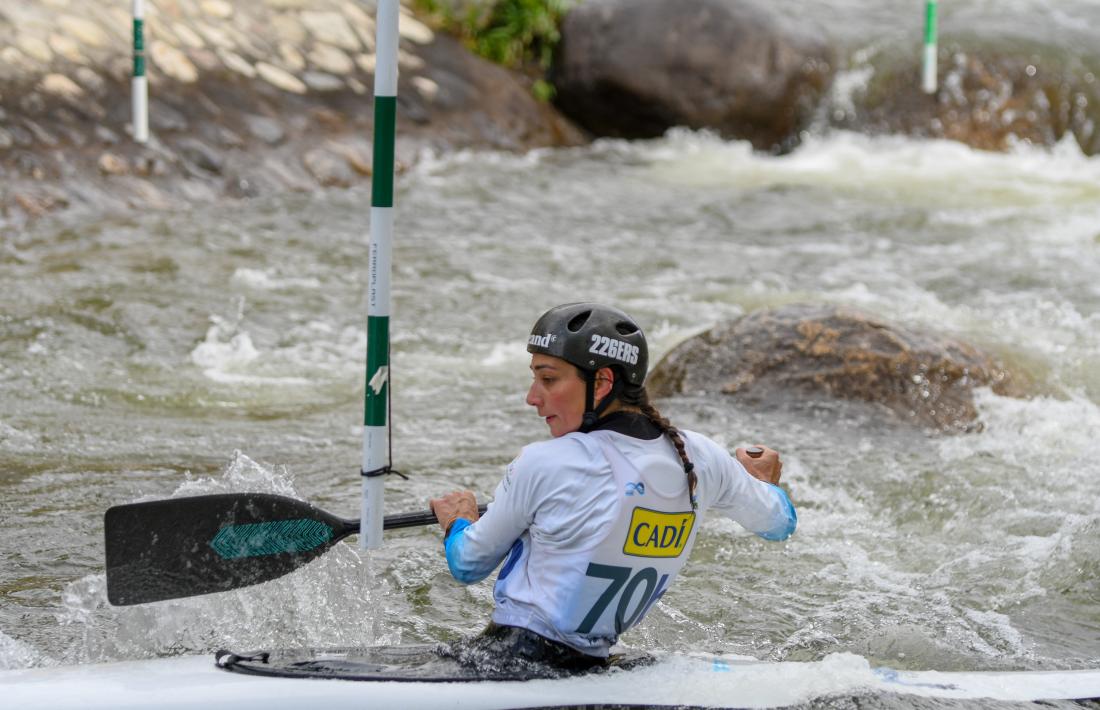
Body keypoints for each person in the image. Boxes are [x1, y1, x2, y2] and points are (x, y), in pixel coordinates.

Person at [430, 302, 796, 673]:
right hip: (592, 667)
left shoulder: (543, 461)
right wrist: (762, 483)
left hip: (509, 661)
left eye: (548, 378)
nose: (532, 397)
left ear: (602, 382)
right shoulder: (701, 456)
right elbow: (779, 523)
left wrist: (459, 520)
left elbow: (467, 563)